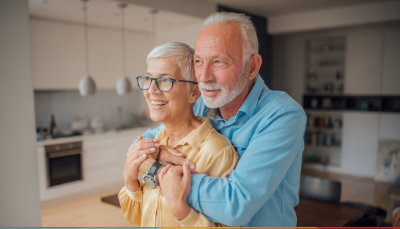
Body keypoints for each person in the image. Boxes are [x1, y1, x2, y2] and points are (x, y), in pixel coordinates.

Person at [130, 12, 307, 227]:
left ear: (252, 67)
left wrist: (157, 171)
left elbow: (235, 205)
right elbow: (141, 143)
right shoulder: (202, 102)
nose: (203, 77)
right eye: (198, 61)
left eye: (218, 62)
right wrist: (156, 152)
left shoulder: (282, 115)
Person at [119, 42, 238, 227]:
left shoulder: (217, 151)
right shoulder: (156, 143)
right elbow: (138, 218)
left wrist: (182, 212)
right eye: (148, 79)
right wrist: (130, 180)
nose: (151, 90)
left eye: (165, 80)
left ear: (194, 92)